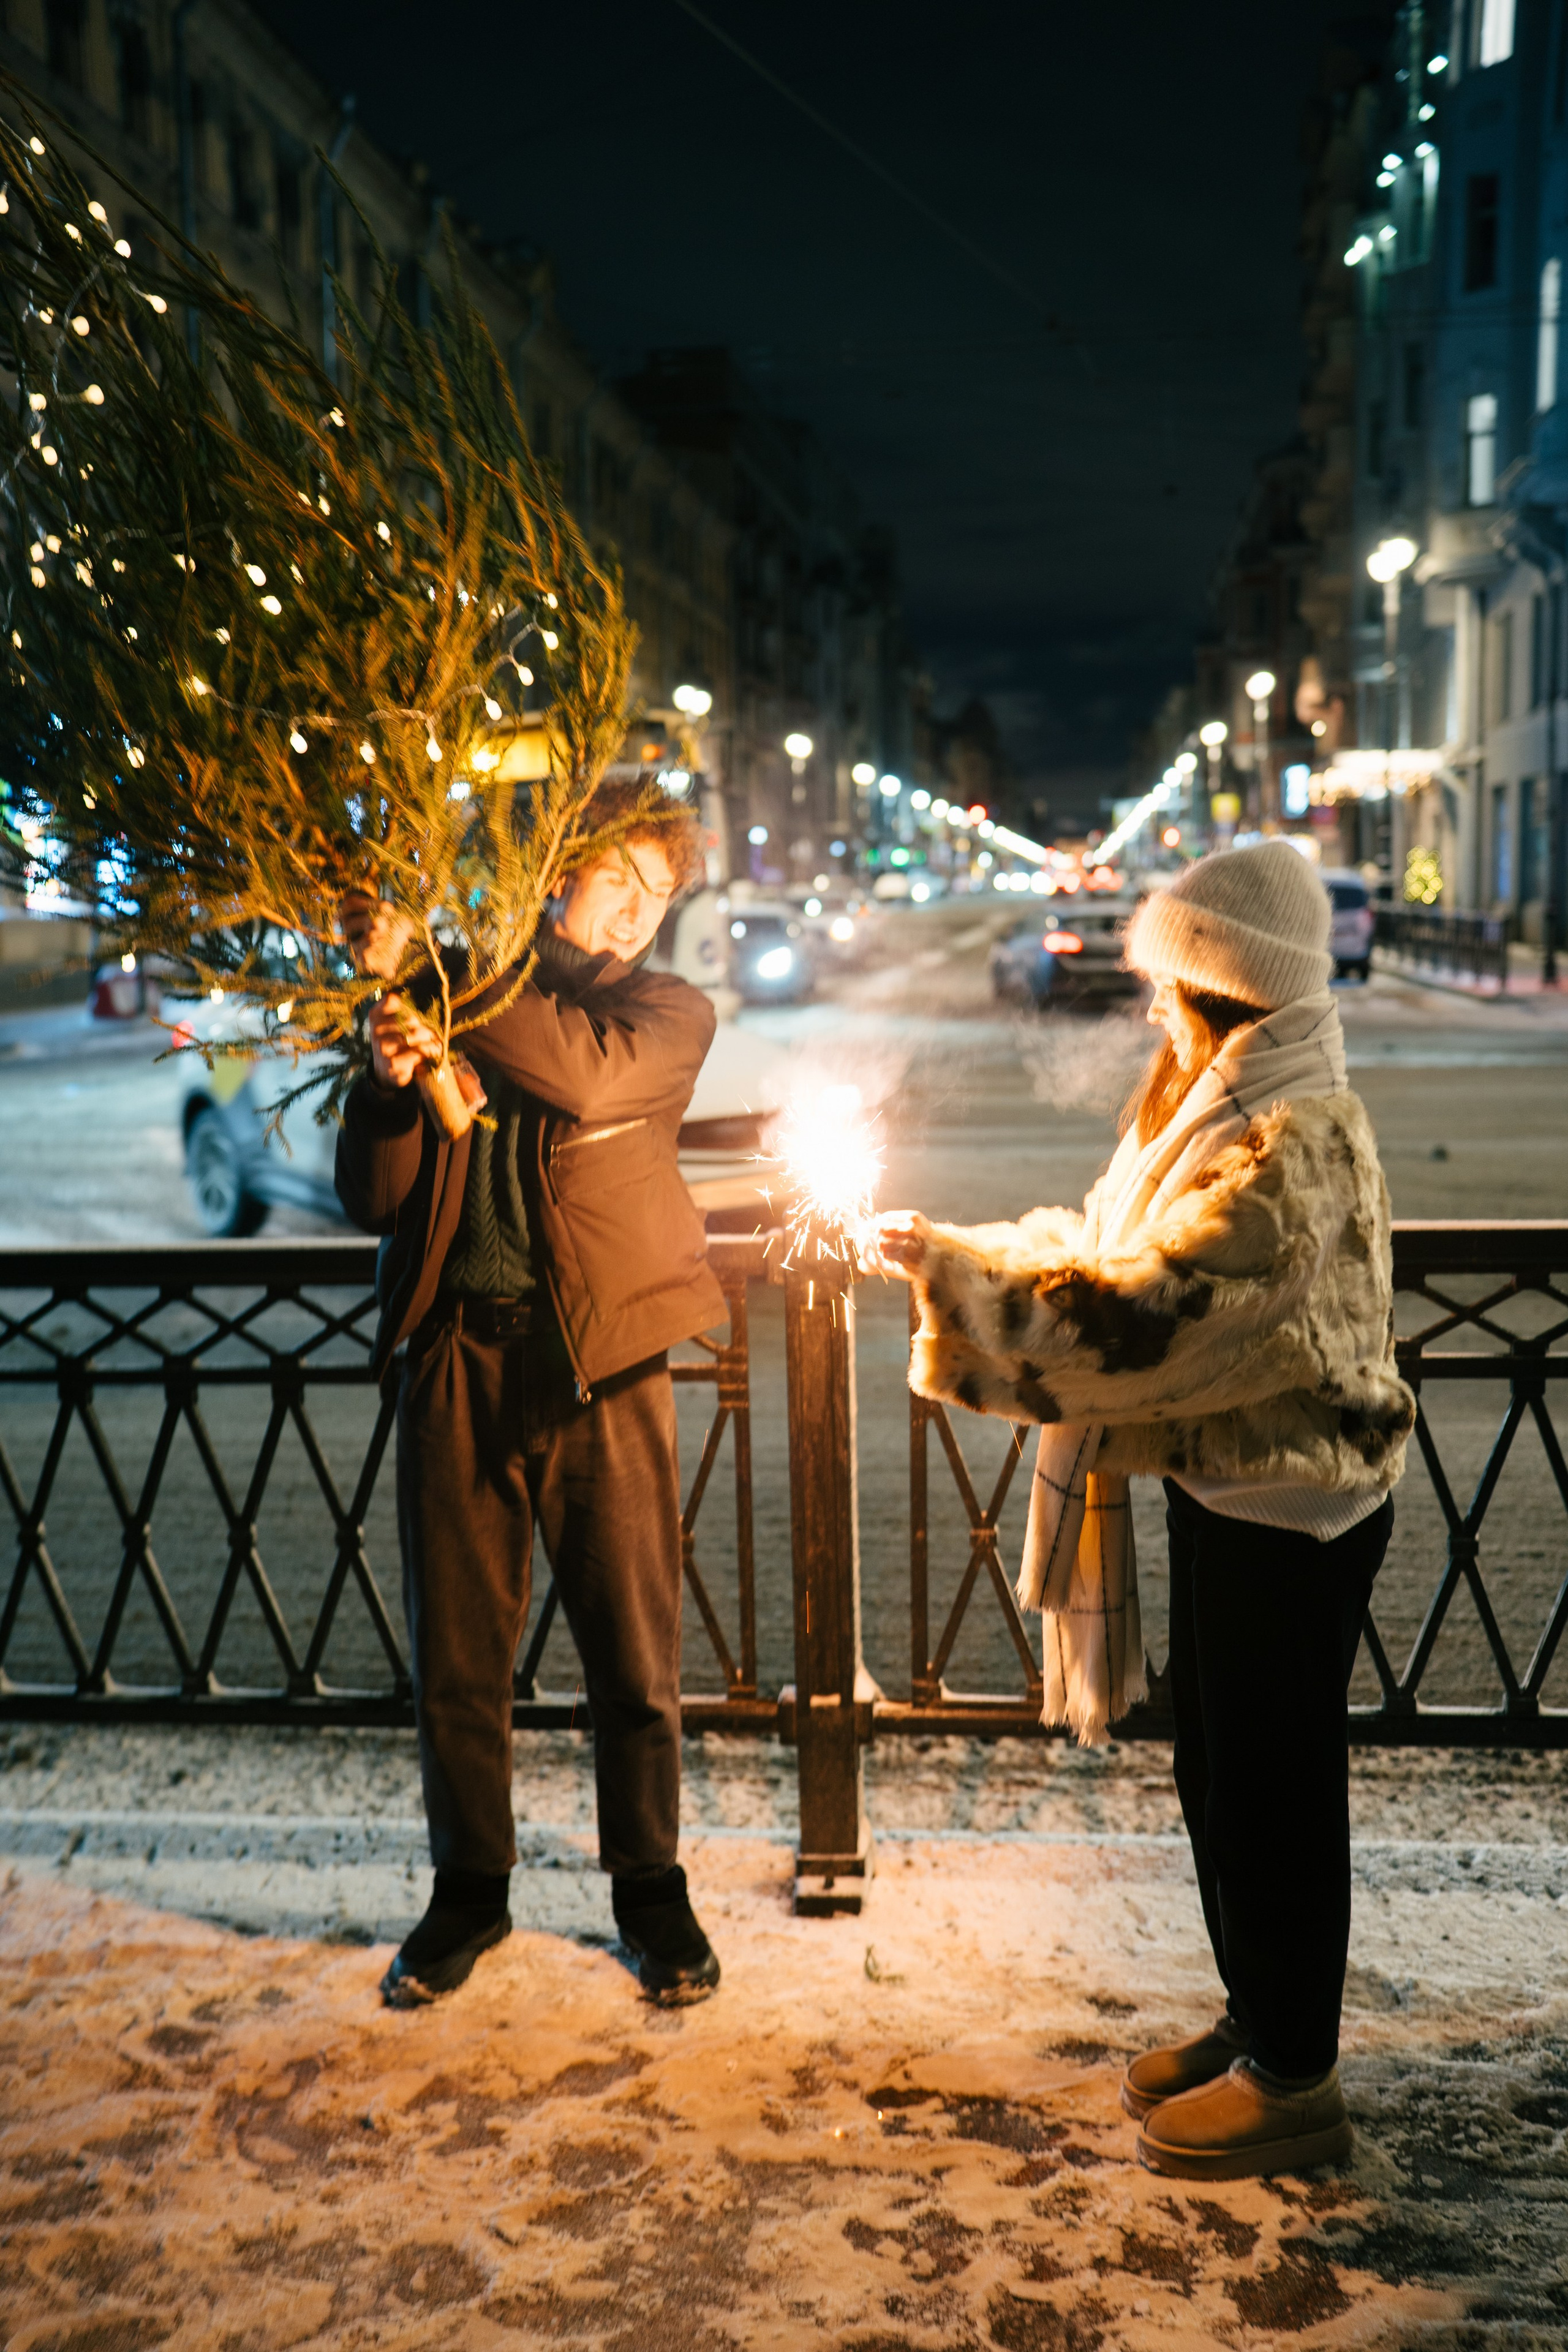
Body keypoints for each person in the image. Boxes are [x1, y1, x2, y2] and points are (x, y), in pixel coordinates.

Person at [872, 842, 1415, 2180]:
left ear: (1226, 987)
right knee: (1219, 1777)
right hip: (1225, 1485)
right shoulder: (1213, 1101)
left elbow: (1152, 1316)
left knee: (1272, 1796)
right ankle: (1257, 2018)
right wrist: (959, 1249)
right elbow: (1110, 1244)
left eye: (1175, 979)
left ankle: (1294, 2079)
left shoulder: (1292, 1140)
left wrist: (954, 1282)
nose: (1154, 1005)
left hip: (1294, 1507)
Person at [335, 786, 728, 2008]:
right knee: (457, 1654)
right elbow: (374, 1198)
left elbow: (579, 1078)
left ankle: (649, 1891)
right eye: (612, 880)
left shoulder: (661, 1013)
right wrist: (393, 1080)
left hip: (599, 1362)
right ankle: (469, 1891)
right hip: (457, 1350)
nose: (629, 915)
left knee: (631, 1648)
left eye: (653, 899)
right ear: (556, 870)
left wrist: (450, 975)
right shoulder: (457, 992)